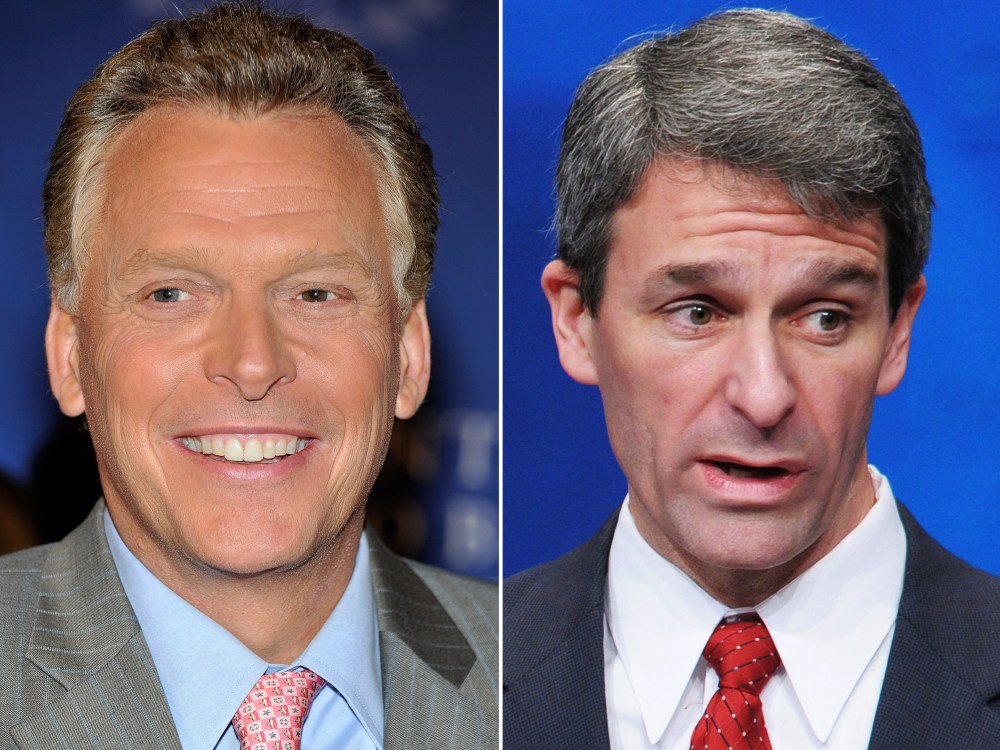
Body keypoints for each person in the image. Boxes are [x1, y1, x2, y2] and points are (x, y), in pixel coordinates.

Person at [0, 3, 497, 749]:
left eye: (315, 294)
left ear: (409, 354)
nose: (254, 361)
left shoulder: (533, 673)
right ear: (71, 353)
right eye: (171, 294)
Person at [504, 9, 1000, 750]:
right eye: (698, 312)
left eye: (826, 318)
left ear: (898, 331)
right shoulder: (465, 676)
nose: (764, 397)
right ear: (577, 321)